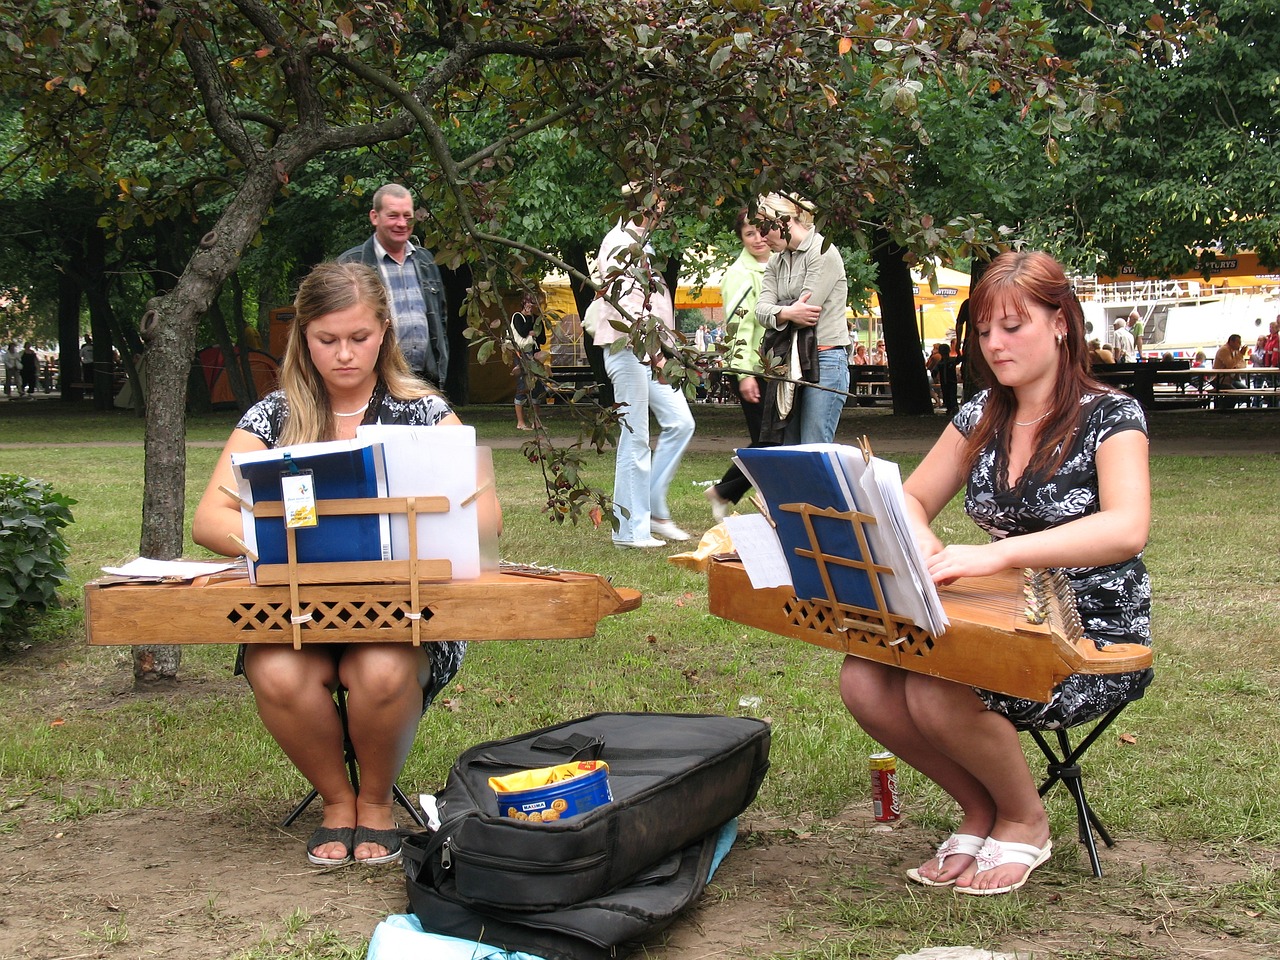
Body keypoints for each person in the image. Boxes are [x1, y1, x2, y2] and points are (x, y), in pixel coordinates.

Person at [840, 250, 1151, 895]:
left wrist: (999, 553)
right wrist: (921, 542)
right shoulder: (983, 413)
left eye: (1013, 326)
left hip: (1086, 627)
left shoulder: (1112, 415)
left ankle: (1024, 818)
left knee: (932, 686)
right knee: (863, 678)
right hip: (995, 609)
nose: (994, 345)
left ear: (1061, 321)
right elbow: (913, 499)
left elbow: (1126, 528)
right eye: (984, 331)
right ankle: (979, 810)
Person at [192, 262, 468, 867]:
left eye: (359, 338)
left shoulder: (424, 413)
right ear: (304, 338)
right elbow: (209, 519)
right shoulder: (272, 415)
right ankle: (335, 801)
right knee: (277, 672)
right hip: (297, 606)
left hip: (405, 611)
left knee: (381, 669)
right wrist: (273, 541)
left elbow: (483, 517)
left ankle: (375, 804)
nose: (344, 354)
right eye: (326, 340)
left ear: (385, 334)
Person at [590, 183, 696, 547]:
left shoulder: (643, 242)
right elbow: (626, 308)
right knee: (634, 438)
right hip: (629, 351)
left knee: (681, 421)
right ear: (642, 205)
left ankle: (651, 506)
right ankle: (629, 530)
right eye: (657, 205)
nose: (662, 212)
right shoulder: (620, 242)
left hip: (648, 353)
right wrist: (657, 355)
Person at [754, 192, 850, 443]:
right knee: (790, 449)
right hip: (788, 363)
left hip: (826, 359)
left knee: (813, 448)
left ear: (783, 222)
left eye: (766, 230)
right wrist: (786, 311)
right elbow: (760, 311)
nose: (762, 239)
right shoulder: (777, 260)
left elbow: (808, 311)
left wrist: (778, 313)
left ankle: (832, 485)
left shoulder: (823, 251)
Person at [338, 184, 449, 387]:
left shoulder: (426, 260)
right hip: (375, 379)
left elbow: (440, 319)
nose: (402, 223)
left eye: (407, 216)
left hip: (425, 379)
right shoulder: (351, 263)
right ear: (374, 217)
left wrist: (441, 366)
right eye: (393, 216)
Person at [705, 208, 773, 521]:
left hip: (775, 368)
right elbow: (739, 327)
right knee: (769, 440)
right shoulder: (739, 275)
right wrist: (744, 374)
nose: (758, 239)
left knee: (774, 439)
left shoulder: (778, 264)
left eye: (761, 231)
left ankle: (726, 491)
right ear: (741, 238)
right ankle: (727, 491)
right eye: (749, 233)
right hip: (751, 369)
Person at [510, 293, 546, 431]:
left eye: (532, 303)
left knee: (537, 386)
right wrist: (530, 325)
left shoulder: (537, 319)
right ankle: (520, 422)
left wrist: (534, 331)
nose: (530, 306)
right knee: (522, 385)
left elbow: (542, 338)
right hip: (522, 353)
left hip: (535, 354)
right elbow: (523, 332)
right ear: (523, 303)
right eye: (528, 303)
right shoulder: (517, 317)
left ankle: (536, 422)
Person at [1212, 333, 1249, 407]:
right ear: (1231, 342)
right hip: (1220, 379)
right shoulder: (1224, 350)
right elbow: (1230, 365)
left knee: (1246, 391)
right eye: (1238, 342)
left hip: (1232, 379)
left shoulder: (1235, 351)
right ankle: (1226, 410)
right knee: (1233, 393)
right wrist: (1240, 355)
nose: (1240, 345)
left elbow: (1243, 365)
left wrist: (1237, 361)